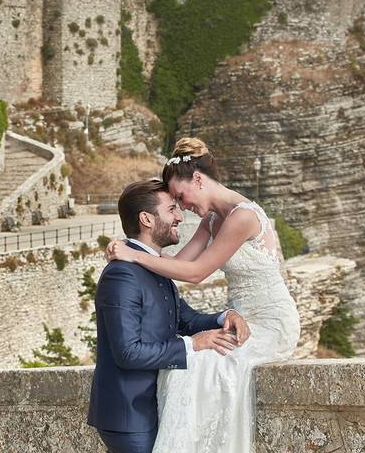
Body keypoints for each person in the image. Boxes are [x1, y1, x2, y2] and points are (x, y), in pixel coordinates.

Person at [106, 137, 300, 452]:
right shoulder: (212, 220)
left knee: (203, 365)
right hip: (238, 319)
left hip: (270, 322)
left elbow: (196, 274)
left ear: (198, 179)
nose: (182, 207)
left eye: (180, 197)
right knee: (190, 362)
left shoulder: (242, 217)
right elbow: (179, 264)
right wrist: (130, 247)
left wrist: (134, 256)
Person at [87, 179, 250, 453]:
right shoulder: (122, 275)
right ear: (147, 219)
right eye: (171, 209)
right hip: (129, 413)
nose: (178, 216)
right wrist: (193, 344)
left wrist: (226, 316)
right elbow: (128, 353)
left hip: (152, 404)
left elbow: (186, 320)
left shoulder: (152, 266)